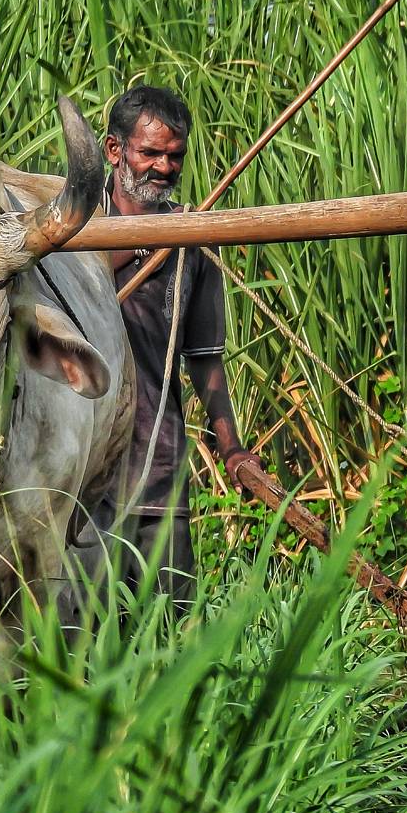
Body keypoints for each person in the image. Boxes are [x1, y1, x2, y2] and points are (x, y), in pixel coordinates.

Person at [72, 84, 259, 604]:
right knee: (76, 632)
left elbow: (205, 360)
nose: (163, 167)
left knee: (167, 630)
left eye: (175, 156)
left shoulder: (191, 240)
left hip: (157, 466)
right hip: (80, 475)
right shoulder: (75, 231)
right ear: (115, 151)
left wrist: (231, 447)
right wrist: (142, 241)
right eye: (150, 152)